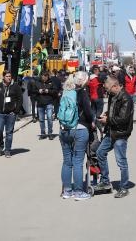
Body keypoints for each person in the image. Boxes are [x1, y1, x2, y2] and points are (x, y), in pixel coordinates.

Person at [59, 71, 95, 200]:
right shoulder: (82, 93)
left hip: (64, 129)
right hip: (80, 129)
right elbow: (88, 113)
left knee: (67, 162)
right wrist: (92, 121)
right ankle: (79, 192)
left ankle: (67, 191)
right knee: (78, 161)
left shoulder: (66, 92)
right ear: (83, 81)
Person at [96, 75, 134, 197]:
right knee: (100, 153)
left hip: (121, 133)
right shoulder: (113, 95)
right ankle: (105, 181)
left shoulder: (126, 98)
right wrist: (106, 114)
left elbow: (123, 119)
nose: (106, 92)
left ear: (115, 86)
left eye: (108, 89)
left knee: (121, 161)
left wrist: (107, 120)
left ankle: (124, 187)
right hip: (111, 131)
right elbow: (113, 111)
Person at [0, 69, 23, 158]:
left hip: (10, 114)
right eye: (7, 76)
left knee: (9, 132)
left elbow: (20, 99)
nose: (9, 78)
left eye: (10, 76)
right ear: (3, 77)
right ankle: (0, 147)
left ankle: (7, 150)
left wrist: (16, 111)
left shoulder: (16, 87)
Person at [32, 70, 61, 140]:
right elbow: (32, 91)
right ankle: (43, 133)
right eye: (43, 76)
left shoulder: (51, 82)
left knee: (49, 118)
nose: (45, 77)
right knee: (41, 119)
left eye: (46, 76)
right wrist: (38, 91)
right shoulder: (37, 82)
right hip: (40, 103)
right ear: (41, 76)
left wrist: (49, 91)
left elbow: (55, 91)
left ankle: (50, 133)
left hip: (49, 103)